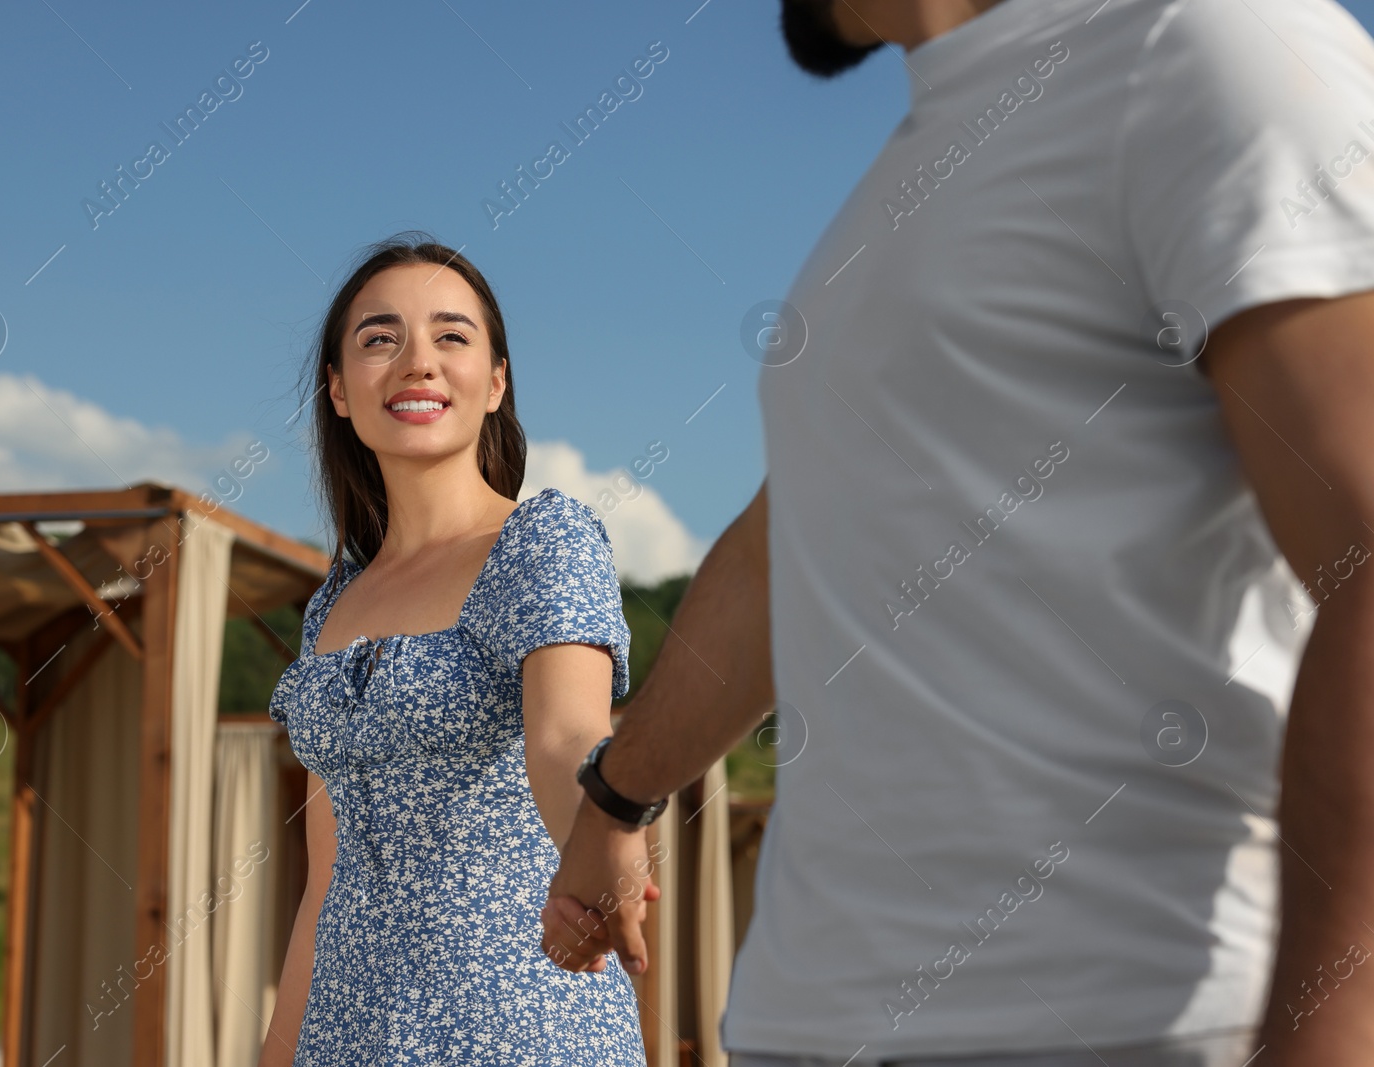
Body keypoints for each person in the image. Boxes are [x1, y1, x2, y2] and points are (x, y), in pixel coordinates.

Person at [539, 0, 1374, 1065]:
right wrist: (615, 798)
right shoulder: (885, 202)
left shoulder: (1204, 44)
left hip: (1131, 1020)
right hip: (805, 1027)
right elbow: (780, 554)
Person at [260, 234, 650, 1066]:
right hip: (346, 1039)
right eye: (378, 338)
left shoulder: (543, 539)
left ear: (496, 380)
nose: (416, 362)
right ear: (337, 389)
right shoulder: (332, 604)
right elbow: (324, 879)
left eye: (451, 335)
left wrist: (606, 824)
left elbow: (563, 737)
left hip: (523, 1026)